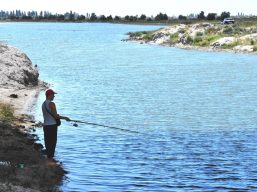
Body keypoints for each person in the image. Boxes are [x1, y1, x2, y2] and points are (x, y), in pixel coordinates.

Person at [42, 89, 70, 165]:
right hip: (52, 126)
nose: (54, 96)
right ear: (49, 95)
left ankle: (48, 158)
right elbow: (55, 116)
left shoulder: (43, 104)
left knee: (47, 142)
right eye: (53, 95)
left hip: (45, 126)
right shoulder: (52, 104)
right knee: (52, 142)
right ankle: (51, 160)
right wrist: (65, 118)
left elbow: (49, 115)